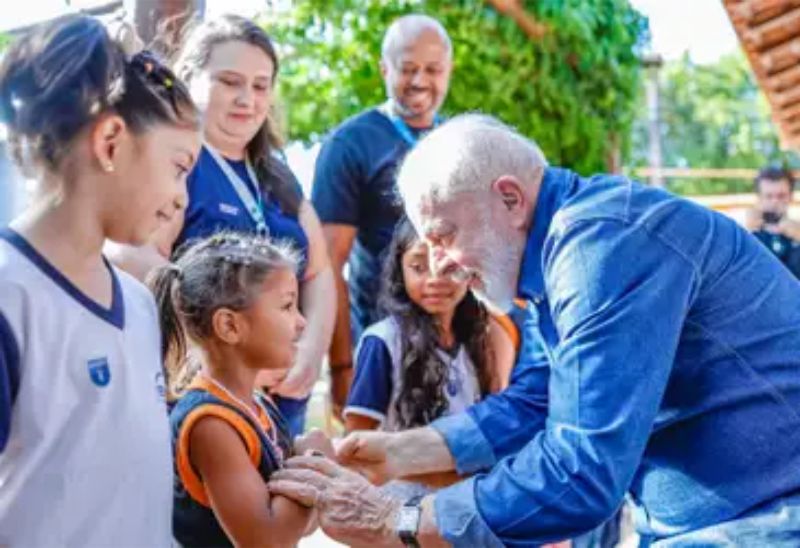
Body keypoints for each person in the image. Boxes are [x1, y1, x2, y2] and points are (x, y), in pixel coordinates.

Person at [270, 114, 800, 547]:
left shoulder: (598, 247)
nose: (441, 266)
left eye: (444, 235)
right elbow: (541, 397)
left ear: (510, 198)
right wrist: (400, 453)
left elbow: (581, 470)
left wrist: (399, 521)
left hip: (768, 516)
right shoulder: (564, 255)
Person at [0, 15, 200, 545]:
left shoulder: (137, 304)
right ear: (112, 142)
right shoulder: (10, 298)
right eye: (179, 167)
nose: (183, 197)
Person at [108, 15, 335, 437]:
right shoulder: (180, 166)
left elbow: (319, 271)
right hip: (207, 402)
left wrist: (309, 350)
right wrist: (219, 353)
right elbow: (135, 258)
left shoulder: (278, 175)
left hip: (280, 404)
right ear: (190, 76)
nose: (246, 98)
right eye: (230, 81)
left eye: (260, 85)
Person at [311, 14, 454, 418]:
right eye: (408, 69)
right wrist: (341, 367)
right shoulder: (350, 144)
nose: (420, 81)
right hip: (380, 345)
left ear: (449, 70)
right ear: (384, 68)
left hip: (452, 344)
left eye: (433, 69)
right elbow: (327, 265)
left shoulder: (456, 140)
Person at [150, 232, 324, 546]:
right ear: (230, 326)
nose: (300, 322)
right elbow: (267, 541)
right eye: (286, 306)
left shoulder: (256, 405)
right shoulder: (212, 423)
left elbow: (298, 525)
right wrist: (315, 463)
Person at [745, 166, 800, 278]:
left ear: (791, 197)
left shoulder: (797, 231)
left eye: (781, 196)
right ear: (759, 198)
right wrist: (746, 235)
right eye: (768, 196)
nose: (775, 201)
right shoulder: (748, 235)